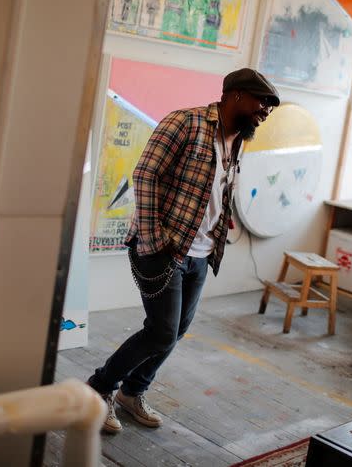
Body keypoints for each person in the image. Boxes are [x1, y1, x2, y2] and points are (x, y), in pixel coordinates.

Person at [87, 68, 280, 433]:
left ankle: (133, 391)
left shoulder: (237, 139)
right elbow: (145, 175)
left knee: (175, 331)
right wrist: (155, 240)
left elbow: (213, 190)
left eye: (269, 105)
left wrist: (221, 223)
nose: (266, 110)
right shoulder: (185, 123)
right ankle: (99, 388)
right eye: (262, 101)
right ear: (236, 95)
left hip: (202, 253)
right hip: (165, 248)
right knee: (160, 331)